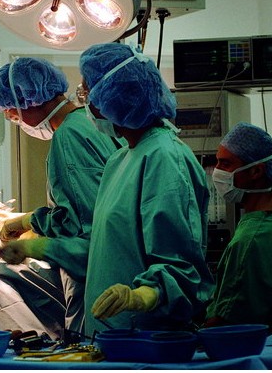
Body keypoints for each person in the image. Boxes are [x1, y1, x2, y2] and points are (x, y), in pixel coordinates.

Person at [79, 42, 215, 334]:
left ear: (110, 98)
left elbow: (180, 264)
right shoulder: (120, 159)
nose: (85, 104)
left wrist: (143, 295)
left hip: (147, 338)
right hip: (111, 334)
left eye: (86, 93)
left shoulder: (164, 158)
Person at [0, 57, 118, 333]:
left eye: (12, 114)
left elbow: (81, 223)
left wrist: (32, 224)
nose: (14, 120)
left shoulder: (69, 135)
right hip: (111, 267)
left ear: (29, 101)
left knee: (91, 348)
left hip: (95, 274)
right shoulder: (88, 123)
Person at [204, 122, 272, 331]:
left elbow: (227, 322)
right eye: (217, 162)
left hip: (260, 342)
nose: (217, 172)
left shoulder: (251, 241)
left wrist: (199, 332)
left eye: (225, 164)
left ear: (256, 171)